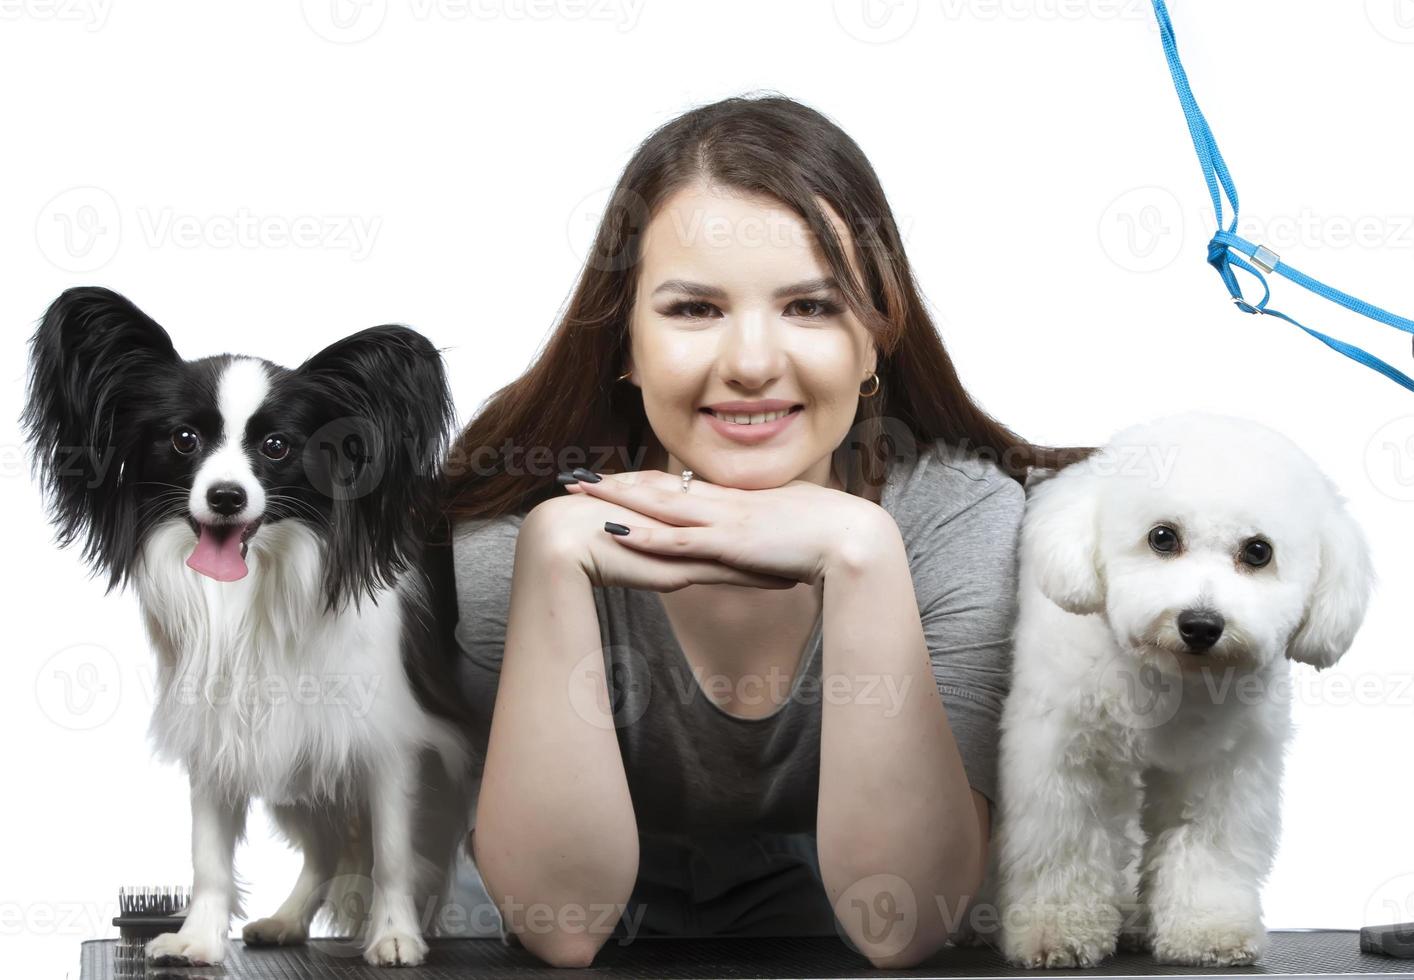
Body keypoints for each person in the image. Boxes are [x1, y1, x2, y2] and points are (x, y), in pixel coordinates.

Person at [434, 92, 1096, 969]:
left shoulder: (958, 519)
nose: (750, 364)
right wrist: (554, 564)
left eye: (813, 307)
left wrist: (860, 559)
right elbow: (562, 925)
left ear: (875, 342)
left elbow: (900, 925)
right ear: (623, 343)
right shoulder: (516, 530)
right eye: (694, 309)